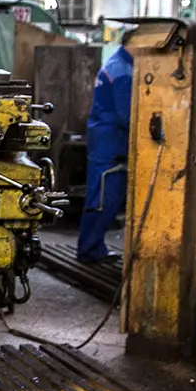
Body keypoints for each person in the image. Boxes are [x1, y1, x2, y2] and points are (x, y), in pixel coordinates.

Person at [76, 34, 134, 262]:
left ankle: (93, 247)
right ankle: (89, 249)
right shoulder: (123, 71)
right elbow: (127, 113)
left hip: (105, 138)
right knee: (103, 197)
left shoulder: (117, 64)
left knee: (102, 195)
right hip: (111, 141)